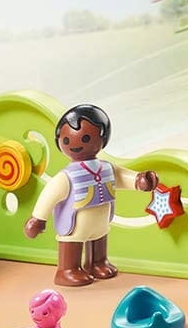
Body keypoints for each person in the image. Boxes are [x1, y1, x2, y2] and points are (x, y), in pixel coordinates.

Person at [24, 103, 157, 286]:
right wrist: (38, 218)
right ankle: (67, 270)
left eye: (86, 138)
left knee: (99, 237)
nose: (75, 144)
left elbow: (123, 177)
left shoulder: (106, 168)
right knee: (73, 241)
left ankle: (97, 263)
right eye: (66, 140)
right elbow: (49, 195)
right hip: (74, 222)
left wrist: (141, 180)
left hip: (100, 220)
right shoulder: (66, 176)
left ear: (103, 138)